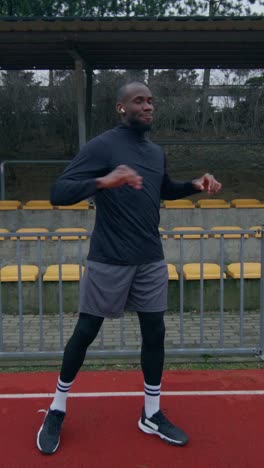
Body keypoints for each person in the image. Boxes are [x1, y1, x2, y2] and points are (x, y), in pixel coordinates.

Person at [36, 81, 221, 455]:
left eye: (151, 100)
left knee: (155, 333)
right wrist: (104, 181)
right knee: (86, 331)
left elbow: (163, 188)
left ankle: (151, 413)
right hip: (109, 258)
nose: (148, 106)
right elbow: (59, 192)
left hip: (150, 258)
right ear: (122, 108)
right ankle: (57, 408)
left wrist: (194, 185)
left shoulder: (154, 152)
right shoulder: (103, 145)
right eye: (139, 100)